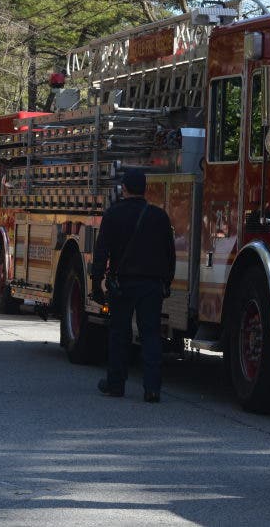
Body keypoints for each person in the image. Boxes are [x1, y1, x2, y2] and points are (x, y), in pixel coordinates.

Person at [90, 168, 175, 403]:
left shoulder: (113, 215)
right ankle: (152, 389)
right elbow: (170, 253)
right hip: (152, 286)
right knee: (151, 335)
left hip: (122, 283)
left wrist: (97, 283)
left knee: (119, 334)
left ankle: (116, 384)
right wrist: (166, 282)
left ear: (124, 189)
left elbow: (101, 252)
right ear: (145, 189)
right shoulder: (159, 216)